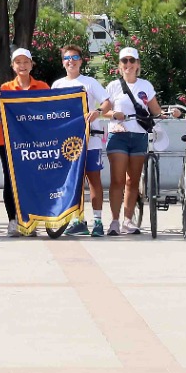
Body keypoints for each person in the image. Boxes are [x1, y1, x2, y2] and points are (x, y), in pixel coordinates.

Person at [54, 44, 111, 237]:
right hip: (68, 142)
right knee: (73, 181)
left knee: (93, 179)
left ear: (81, 61)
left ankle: (97, 221)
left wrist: (98, 112)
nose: (71, 61)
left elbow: (106, 101)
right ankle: (77, 220)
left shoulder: (89, 82)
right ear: (63, 62)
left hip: (91, 137)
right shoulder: (58, 85)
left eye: (75, 57)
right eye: (67, 58)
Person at [102, 46, 156, 236]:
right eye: (124, 61)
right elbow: (103, 110)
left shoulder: (146, 85)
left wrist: (170, 113)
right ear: (120, 65)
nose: (128, 64)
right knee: (117, 180)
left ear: (138, 64)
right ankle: (115, 221)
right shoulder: (113, 86)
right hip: (119, 135)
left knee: (132, 181)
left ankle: (128, 220)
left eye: (132, 61)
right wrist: (114, 114)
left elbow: (155, 110)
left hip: (139, 135)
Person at [0, 48, 48, 237]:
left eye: (26, 62)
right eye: (18, 62)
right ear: (13, 66)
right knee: (10, 181)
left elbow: (49, 113)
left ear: (32, 64)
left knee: (32, 180)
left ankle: (31, 220)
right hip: (8, 141)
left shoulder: (42, 87)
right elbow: (0, 116)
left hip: (34, 142)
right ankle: (13, 220)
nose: (22, 66)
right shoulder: (6, 88)